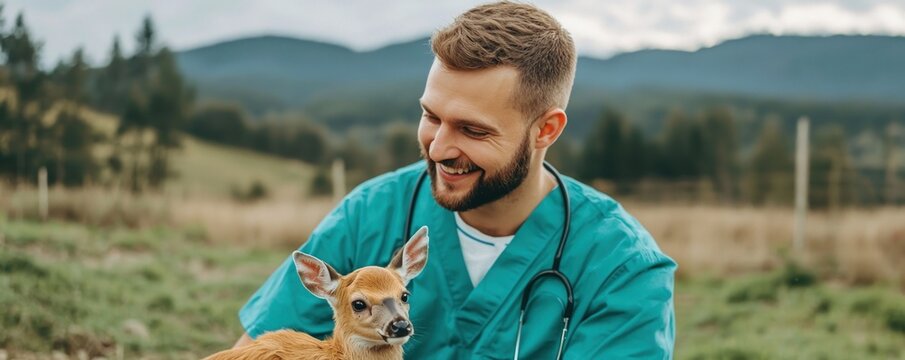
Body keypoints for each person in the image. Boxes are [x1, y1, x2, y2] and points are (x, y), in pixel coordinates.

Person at [234, 2, 676, 358]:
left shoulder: (624, 271)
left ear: (546, 131)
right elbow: (257, 350)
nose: (438, 147)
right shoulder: (370, 212)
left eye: (473, 129)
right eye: (431, 116)